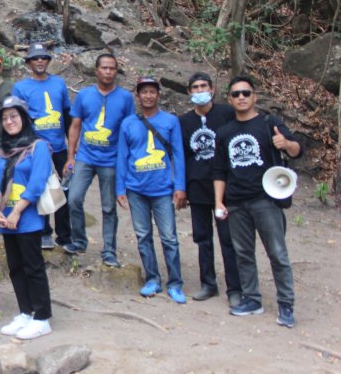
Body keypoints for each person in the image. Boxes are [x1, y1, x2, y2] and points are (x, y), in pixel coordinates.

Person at [213, 76, 302, 327]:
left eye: (246, 93)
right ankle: (252, 299)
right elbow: (219, 171)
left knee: (277, 253)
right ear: (229, 99)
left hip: (266, 200)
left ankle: (286, 304)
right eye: (236, 94)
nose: (241, 97)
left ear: (255, 96)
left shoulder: (268, 123)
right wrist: (219, 202)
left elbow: (298, 150)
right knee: (243, 254)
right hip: (236, 202)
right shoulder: (225, 132)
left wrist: (286, 144)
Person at [116, 77, 187, 303]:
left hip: (163, 189)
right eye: (144, 92)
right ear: (138, 95)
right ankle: (152, 278)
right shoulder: (128, 123)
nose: (148, 96)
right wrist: (120, 188)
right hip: (136, 189)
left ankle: (175, 283)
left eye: (152, 92)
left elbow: (178, 155)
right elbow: (122, 157)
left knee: (169, 237)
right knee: (143, 235)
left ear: (158, 95)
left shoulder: (170, 121)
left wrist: (180, 186)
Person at [64, 53, 134, 266]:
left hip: (111, 160)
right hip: (85, 156)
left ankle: (109, 251)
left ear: (116, 71)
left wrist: (127, 162)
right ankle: (79, 240)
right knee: (74, 198)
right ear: (96, 70)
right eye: (104, 68)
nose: (108, 72)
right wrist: (70, 157)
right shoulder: (84, 95)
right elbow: (75, 126)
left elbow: (129, 129)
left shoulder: (125, 97)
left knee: (108, 207)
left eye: (112, 68)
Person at [0, 96, 53, 340]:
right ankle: (26, 312)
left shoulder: (38, 147)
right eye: (5, 118)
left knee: (33, 267)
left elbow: (37, 182)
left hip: (27, 218)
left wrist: (17, 211)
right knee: (15, 267)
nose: (9, 121)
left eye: (14, 116)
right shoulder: (5, 151)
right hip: (6, 219)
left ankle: (42, 317)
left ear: (25, 118)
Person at [179, 72, 240, 305]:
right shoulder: (184, 122)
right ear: (189, 92)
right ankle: (208, 283)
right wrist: (182, 188)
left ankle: (234, 288)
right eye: (195, 87)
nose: (199, 90)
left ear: (212, 89)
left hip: (224, 187)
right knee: (202, 238)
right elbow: (182, 156)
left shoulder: (225, 113)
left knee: (227, 238)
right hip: (197, 187)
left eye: (204, 86)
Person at [11, 44, 72, 250]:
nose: (40, 61)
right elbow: (17, 117)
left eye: (43, 58)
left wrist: (71, 148)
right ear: (28, 63)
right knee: (39, 188)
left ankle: (64, 235)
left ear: (48, 61)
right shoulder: (21, 87)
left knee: (64, 190)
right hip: (35, 148)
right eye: (35, 58)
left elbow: (66, 114)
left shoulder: (59, 84)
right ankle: (44, 231)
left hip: (59, 147)